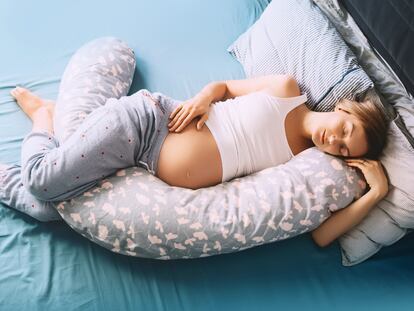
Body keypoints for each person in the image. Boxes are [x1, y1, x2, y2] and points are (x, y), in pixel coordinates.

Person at [1, 74, 389, 247]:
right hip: (145, 125)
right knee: (39, 182)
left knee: (53, 210)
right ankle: (44, 117)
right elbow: (224, 87)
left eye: (342, 150)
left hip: (143, 171)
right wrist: (205, 98)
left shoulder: (303, 162)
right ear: (344, 108)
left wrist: (376, 193)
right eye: (344, 129)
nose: (333, 141)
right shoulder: (286, 90)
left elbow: (321, 237)